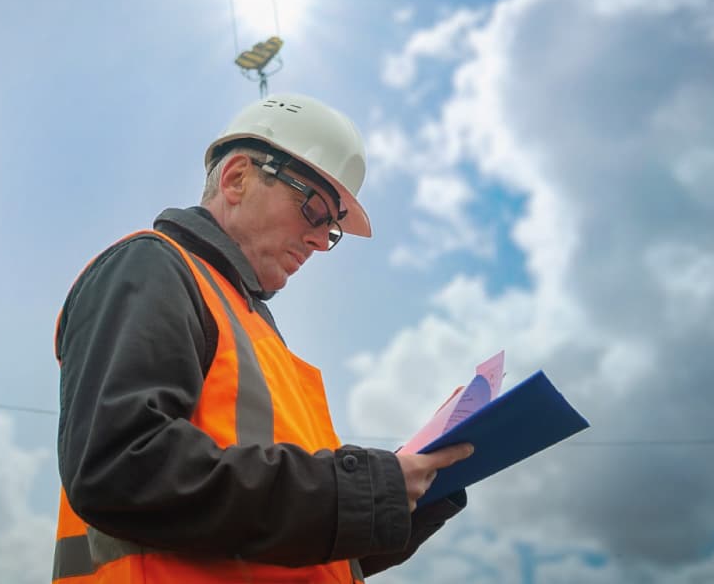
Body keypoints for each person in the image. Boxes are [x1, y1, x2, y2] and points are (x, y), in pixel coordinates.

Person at [52, 92, 473, 583]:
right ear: (237, 179)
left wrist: (405, 497)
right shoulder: (152, 267)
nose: (320, 240)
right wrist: (360, 490)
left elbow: (292, 539)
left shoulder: (254, 332)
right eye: (315, 210)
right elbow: (121, 467)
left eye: (332, 228)